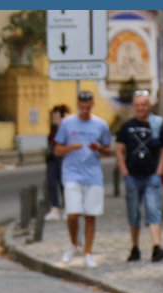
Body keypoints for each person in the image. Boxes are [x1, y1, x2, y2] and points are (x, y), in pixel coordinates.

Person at [54, 91, 112, 268]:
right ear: (78, 105)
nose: (85, 110)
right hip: (72, 174)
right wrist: (70, 146)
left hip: (93, 175)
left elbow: (109, 150)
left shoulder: (100, 125)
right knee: (72, 214)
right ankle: (74, 244)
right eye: (82, 107)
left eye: (88, 107)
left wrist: (99, 148)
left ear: (93, 105)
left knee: (90, 215)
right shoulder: (67, 123)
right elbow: (57, 150)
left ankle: (88, 252)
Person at [115, 91, 163, 262]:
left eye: (144, 105)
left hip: (151, 176)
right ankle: (135, 247)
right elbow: (119, 150)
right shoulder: (126, 126)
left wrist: (159, 172)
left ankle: (156, 247)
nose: (140, 108)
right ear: (134, 106)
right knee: (134, 213)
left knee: (153, 210)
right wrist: (124, 172)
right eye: (137, 105)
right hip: (132, 176)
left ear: (149, 106)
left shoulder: (157, 124)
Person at [44, 105, 71, 221]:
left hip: (62, 158)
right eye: (53, 115)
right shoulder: (53, 128)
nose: (55, 117)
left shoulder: (65, 127)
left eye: (57, 115)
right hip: (51, 158)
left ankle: (67, 208)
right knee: (51, 182)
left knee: (63, 183)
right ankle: (54, 208)